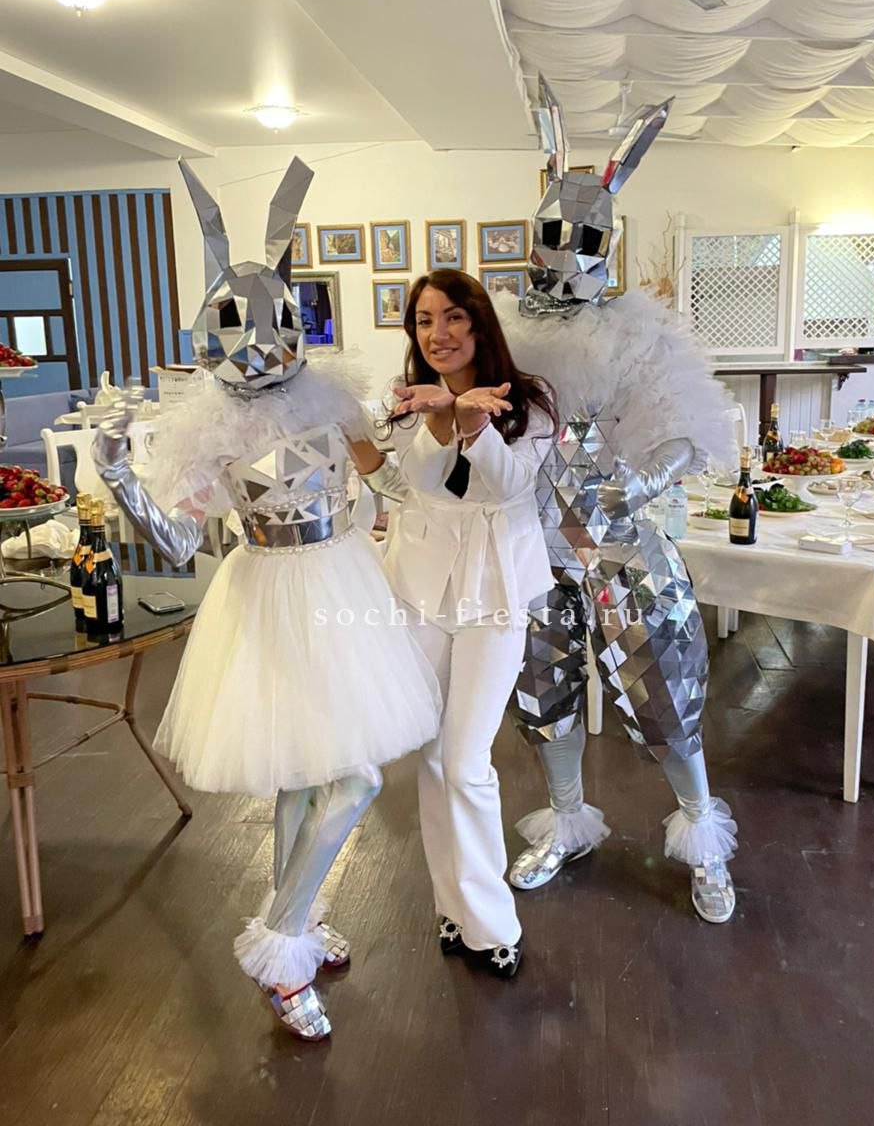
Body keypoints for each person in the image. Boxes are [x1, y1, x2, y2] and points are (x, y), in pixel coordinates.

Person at [93, 158, 440, 1040]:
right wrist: (121, 478)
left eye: (272, 324)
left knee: (319, 773)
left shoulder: (334, 404)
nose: (256, 345)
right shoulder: (208, 430)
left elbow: (392, 487)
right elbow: (179, 542)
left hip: (340, 585)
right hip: (265, 597)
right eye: (234, 326)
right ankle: (284, 947)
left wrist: (422, 427)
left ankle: (298, 920)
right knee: (333, 777)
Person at [493, 76, 740, 924]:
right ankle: (566, 824)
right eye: (553, 234)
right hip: (530, 547)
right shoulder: (504, 334)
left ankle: (705, 841)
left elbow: (688, 430)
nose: (566, 250)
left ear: (609, 239)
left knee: (664, 692)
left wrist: (641, 479)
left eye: (585, 236)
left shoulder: (641, 330)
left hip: (622, 542)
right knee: (541, 693)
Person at [364, 269, 556, 977]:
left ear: (479, 322)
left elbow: (510, 485)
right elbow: (415, 485)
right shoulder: (409, 402)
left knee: (468, 759)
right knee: (433, 756)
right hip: (421, 592)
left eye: (452, 317)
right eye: (423, 320)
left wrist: (474, 423)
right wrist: (439, 416)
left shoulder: (530, 400)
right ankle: (453, 908)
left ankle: (493, 923)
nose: (437, 333)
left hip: (494, 596)